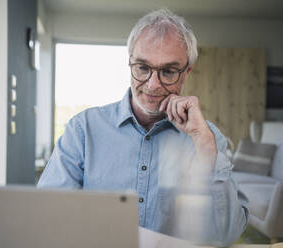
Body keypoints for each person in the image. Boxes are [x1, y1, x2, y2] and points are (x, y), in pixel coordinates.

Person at [38, 8, 249, 247]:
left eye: (168, 71)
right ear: (129, 63)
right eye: (142, 68)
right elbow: (50, 216)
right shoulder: (83, 130)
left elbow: (228, 235)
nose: (153, 84)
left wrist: (205, 147)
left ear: (186, 72)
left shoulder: (208, 138)